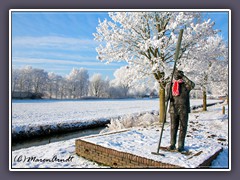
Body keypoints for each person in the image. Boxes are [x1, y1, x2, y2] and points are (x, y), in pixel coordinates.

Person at [165, 70, 195, 152]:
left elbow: (192, 84)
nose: (176, 76)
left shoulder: (185, 85)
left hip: (183, 109)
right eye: (174, 75)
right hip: (173, 108)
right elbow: (166, 97)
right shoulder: (170, 85)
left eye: (178, 75)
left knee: (183, 127)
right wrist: (167, 95)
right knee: (173, 127)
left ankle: (181, 145)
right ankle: (172, 144)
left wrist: (183, 77)